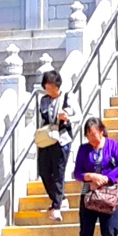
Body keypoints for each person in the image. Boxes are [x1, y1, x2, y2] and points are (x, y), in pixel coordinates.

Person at [35, 68, 74, 220]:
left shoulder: (67, 97)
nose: (49, 90)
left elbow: (79, 114)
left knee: (58, 172)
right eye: (47, 87)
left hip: (61, 138)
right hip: (47, 138)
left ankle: (56, 206)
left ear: (58, 86)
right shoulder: (43, 100)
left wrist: (67, 116)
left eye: (52, 87)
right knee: (44, 171)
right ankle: (61, 198)